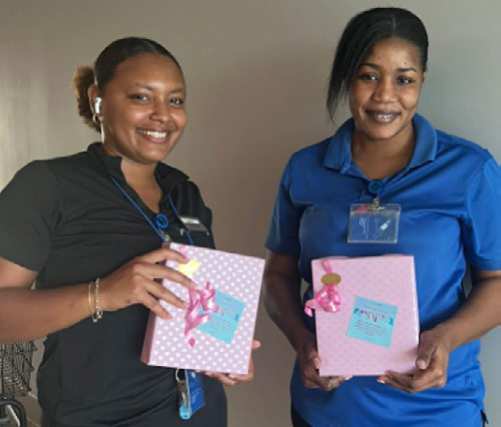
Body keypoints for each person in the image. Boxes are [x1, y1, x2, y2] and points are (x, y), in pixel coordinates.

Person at [0, 37, 257, 427]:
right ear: (97, 100)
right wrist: (102, 294)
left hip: (200, 414)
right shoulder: (48, 185)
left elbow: (200, 299)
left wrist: (225, 350)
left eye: (175, 100)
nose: (163, 115)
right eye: (141, 97)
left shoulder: (184, 192)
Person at [264, 7, 501, 427]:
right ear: (346, 79)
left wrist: (446, 339)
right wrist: (302, 342)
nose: (385, 96)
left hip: (437, 411)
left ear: (422, 81)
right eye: (368, 76)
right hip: (327, 411)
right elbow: (278, 275)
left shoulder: (469, 170)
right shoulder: (305, 169)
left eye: (404, 79)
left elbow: (497, 281)